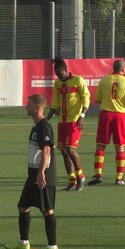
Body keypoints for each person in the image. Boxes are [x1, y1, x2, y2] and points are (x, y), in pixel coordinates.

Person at [5, 94, 58, 249]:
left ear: (38, 107)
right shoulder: (36, 127)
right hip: (33, 175)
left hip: (44, 175)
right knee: (22, 206)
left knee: (47, 210)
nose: (25, 106)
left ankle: (52, 246)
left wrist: (42, 172)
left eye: (29, 104)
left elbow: (47, 150)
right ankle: (23, 242)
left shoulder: (44, 126)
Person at [88, 59, 125, 186]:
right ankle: (119, 178)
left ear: (113, 68)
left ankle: (98, 175)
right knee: (120, 147)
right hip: (120, 116)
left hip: (105, 114)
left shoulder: (104, 80)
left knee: (101, 145)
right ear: (124, 70)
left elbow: (97, 99)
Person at [46, 57, 90, 191]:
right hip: (62, 122)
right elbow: (55, 103)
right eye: (57, 74)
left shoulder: (78, 81)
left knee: (71, 150)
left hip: (74, 121)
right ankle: (72, 181)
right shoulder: (58, 83)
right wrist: (46, 120)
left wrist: (82, 116)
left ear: (66, 70)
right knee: (64, 152)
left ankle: (81, 176)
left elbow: (86, 98)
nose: (59, 76)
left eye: (60, 73)